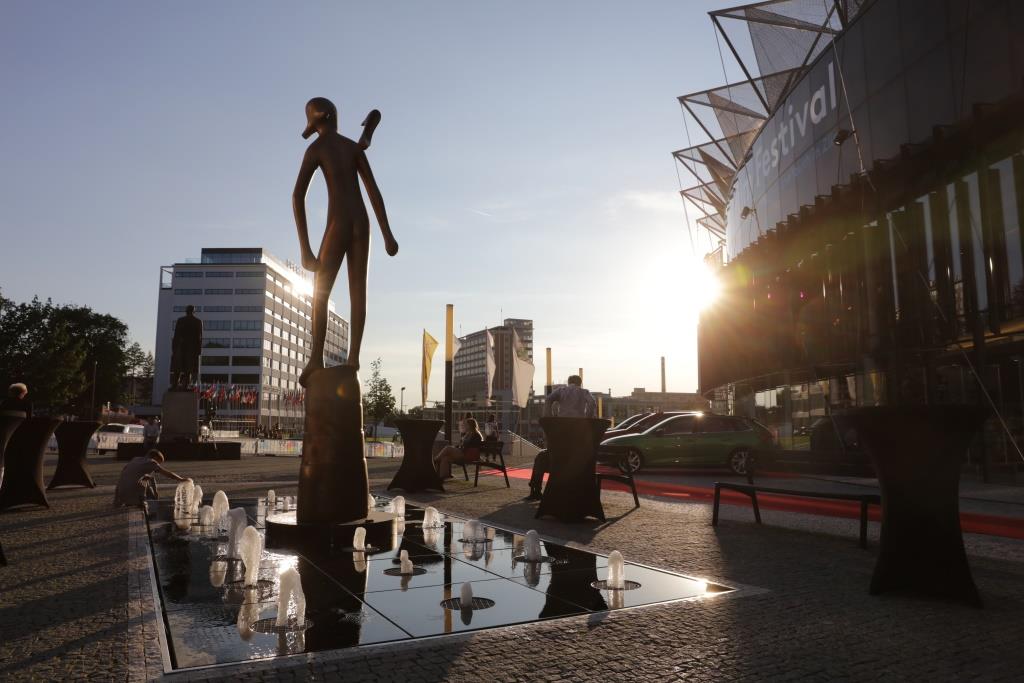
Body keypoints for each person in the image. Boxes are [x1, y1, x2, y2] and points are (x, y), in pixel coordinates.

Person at [293, 97, 399, 386]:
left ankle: (316, 357)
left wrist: (305, 248)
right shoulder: (352, 147)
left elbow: (297, 196)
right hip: (361, 223)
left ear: (316, 121)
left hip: (338, 223)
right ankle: (353, 357)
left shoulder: (316, 149)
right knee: (358, 291)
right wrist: (387, 233)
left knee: (320, 291)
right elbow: (374, 192)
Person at [524, 375, 596, 501]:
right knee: (544, 456)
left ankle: (535, 490)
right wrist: (587, 418)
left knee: (541, 457)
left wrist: (549, 417)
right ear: (580, 383)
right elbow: (592, 403)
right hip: (578, 458)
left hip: (558, 457)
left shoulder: (562, 391)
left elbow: (548, 399)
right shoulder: (584, 392)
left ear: (569, 382)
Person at [113, 449, 188, 508]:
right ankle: (144, 505)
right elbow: (168, 474)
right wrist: (181, 479)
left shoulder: (135, 459)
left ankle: (141, 502)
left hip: (121, 493)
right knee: (145, 484)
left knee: (145, 479)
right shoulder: (151, 462)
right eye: (158, 462)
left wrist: (155, 493)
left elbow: (123, 476)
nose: (158, 465)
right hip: (132, 492)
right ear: (155, 458)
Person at [170, 305, 203, 389]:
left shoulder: (180, 320)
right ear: (193, 311)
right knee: (188, 368)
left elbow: (176, 336)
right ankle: (185, 385)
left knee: (178, 368)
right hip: (190, 349)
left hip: (181, 347)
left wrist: (174, 348)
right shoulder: (197, 321)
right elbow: (199, 338)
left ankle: (175, 385)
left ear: (186, 311)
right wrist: (199, 350)